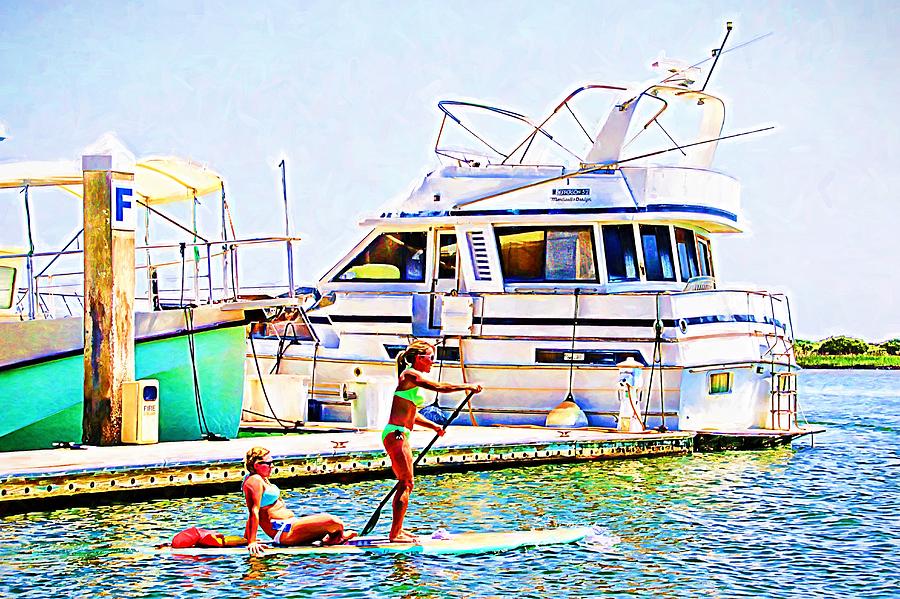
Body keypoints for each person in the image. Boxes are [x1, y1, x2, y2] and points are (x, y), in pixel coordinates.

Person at [383, 340, 482, 543]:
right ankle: (395, 534)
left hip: (400, 434)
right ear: (419, 358)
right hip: (397, 435)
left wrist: (434, 427)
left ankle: (398, 530)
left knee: (407, 483)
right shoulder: (410, 375)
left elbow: (412, 414)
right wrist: (467, 386)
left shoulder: (411, 378)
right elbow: (439, 387)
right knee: (406, 482)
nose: (433, 363)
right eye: (431, 358)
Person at [242, 446, 356, 555]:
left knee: (334, 524)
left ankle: (334, 537)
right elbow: (254, 511)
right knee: (333, 521)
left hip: (291, 525)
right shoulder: (254, 480)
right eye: (268, 463)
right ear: (256, 465)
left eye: (272, 462)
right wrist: (252, 542)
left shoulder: (263, 479)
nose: (272, 466)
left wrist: (247, 536)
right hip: (284, 532)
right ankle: (335, 538)